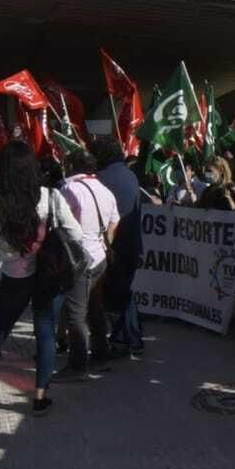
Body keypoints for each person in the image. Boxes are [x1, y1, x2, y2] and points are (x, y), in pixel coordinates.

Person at [0, 142, 80, 416]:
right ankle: (39, 397)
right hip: (48, 273)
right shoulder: (50, 196)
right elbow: (76, 234)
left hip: (13, 277)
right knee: (45, 332)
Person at [57, 149, 120, 379]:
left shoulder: (69, 189)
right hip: (100, 258)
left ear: (73, 166)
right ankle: (101, 356)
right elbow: (115, 220)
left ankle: (77, 366)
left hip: (79, 259)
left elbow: (58, 223)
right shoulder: (105, 190)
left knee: (75, 314)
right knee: (95, 309)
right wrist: (104, 243)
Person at [94, 138, 145, 359]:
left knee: (115, 296)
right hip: (132, 244)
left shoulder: (103, 178)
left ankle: (122, 341)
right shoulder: (130, 175)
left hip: (114, 245)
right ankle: (133, 339)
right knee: (125, 293)